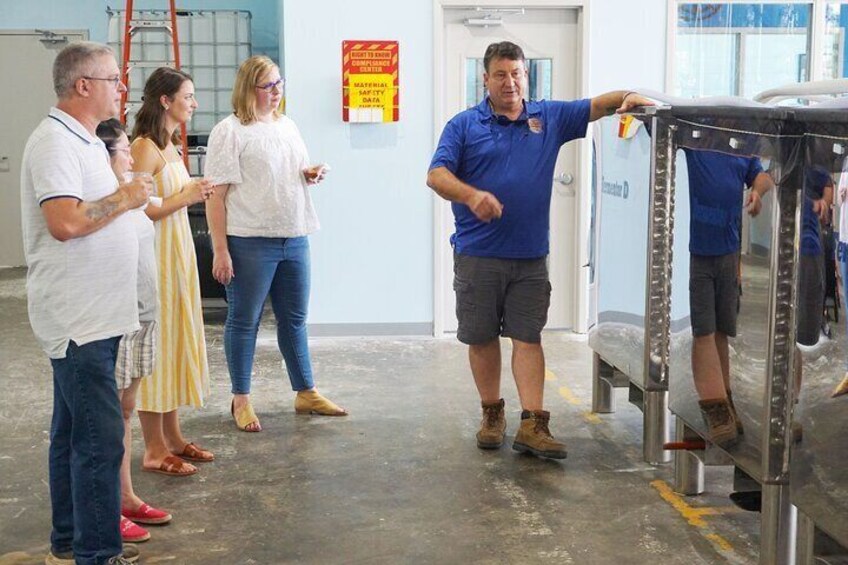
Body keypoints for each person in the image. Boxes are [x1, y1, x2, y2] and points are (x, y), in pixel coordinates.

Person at [426, 41, 652, 459]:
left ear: (526, 75)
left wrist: (629, 96)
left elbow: (596, 106)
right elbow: (436, 175)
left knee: (528, 337)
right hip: (478, 255)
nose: (509, 82)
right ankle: (492, 414)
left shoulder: (547, 117)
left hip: (530, 257)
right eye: (500, 74)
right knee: (482, 338)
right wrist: (472, 195)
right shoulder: (464, 125)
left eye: (516, 73)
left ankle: (533, 424)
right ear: (485, 78)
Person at [22, 41, 150, 565]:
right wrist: (127, 196)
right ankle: (97, 554)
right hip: (79, 321)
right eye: (113, 79)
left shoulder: (86, 140)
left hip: (94, 316)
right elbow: (65, 222)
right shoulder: (56, 143)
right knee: (99, 444)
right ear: (83, 85)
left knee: (74, 435)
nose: (121, 87)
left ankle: (70, 543)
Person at [204, 55, 345, 433]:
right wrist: (220, 250)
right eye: (268, 85)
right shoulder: (229, 131)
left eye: (279, 83)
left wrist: (309, 174)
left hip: (294, 235)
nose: (276, 91)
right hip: (249, 241)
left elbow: (288, 172)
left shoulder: (287, 125)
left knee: (294, 319)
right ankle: (241, 398)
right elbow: (216, 196)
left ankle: (306, 391)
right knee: (244, 321)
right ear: (248, 89)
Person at [130, 67, 215, 476]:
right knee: (157, 349)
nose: (194, 103)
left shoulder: (170, 145)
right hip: (157, 258)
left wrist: (191, 191)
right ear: (165, 101)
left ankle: (174, 438)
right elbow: (139, 207)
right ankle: (153, 449)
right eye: (188, 96)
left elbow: (170, 198)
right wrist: (189, 195)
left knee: (175, 341)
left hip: (176, 256)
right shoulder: (144, 148)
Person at [97, 118, 173, 543]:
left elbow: (158, 204)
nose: (131, 156)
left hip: (144, 311)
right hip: (118, 316)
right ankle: (107, 506)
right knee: (108, 417)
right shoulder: (101, 197)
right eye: (124, 150)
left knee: (126, 409)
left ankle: (125, 496)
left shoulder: (130, 187)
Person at [683, 148, 773, 448]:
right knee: (704, 330)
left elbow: (762, 176)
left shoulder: (740, 146)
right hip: (700, 253)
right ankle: (714, 407)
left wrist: (757, 192)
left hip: (729, 252)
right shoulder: (698, 140)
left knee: (721, 329)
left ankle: (724, 398)